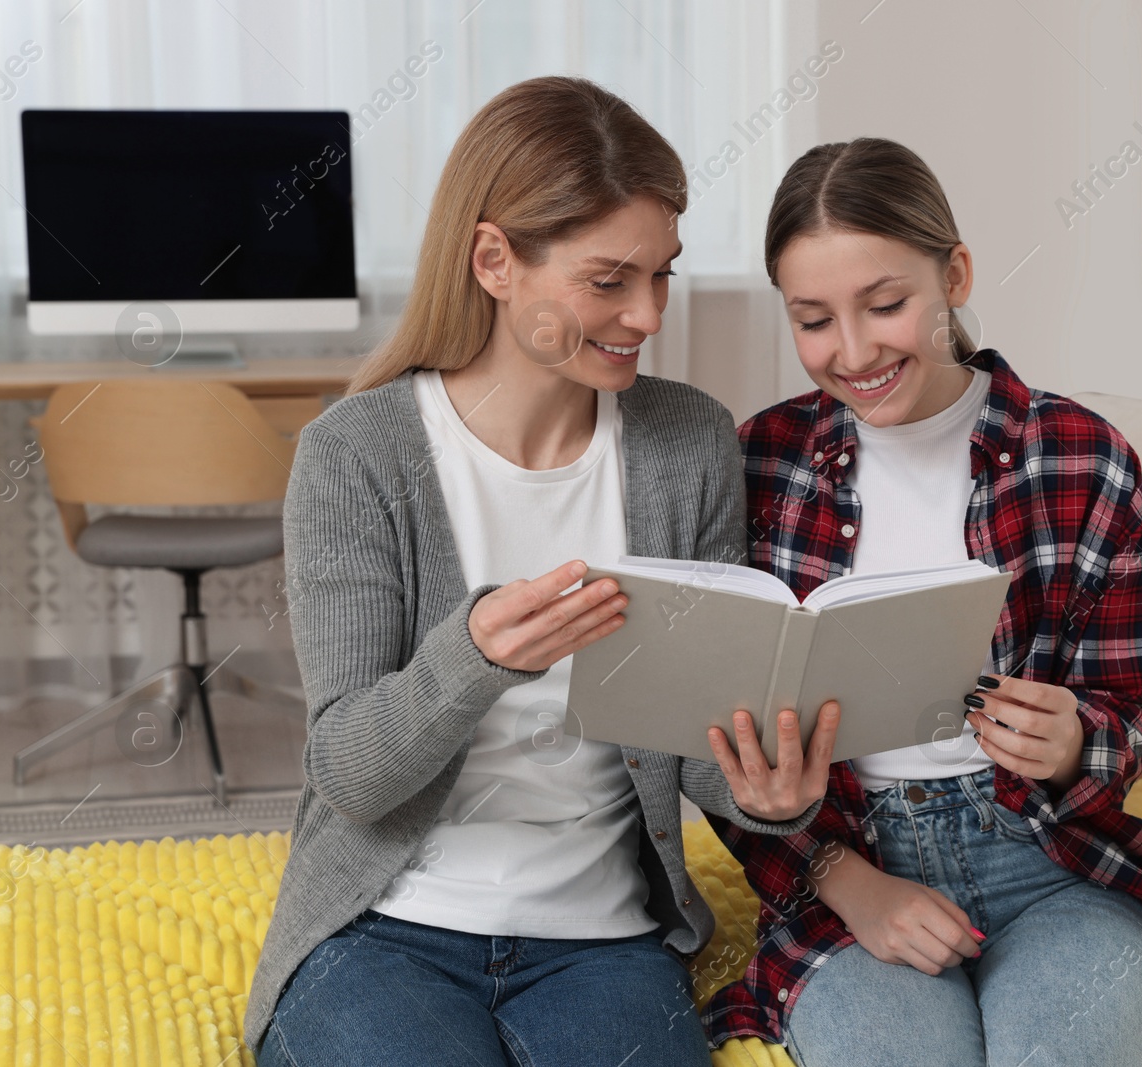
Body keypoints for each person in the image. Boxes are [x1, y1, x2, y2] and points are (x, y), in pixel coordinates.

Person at [243, 77, 839, 1067]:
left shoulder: (683, 441)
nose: (646, 313)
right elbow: (347, 771)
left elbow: (691, 740)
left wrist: (767, 794)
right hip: (382, 926)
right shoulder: (357, 454)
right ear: (494, 261)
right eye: (610, 280)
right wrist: (473, 656)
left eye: (663, 275)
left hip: (599, 938)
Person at [703, 138, 1142, 1066]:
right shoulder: (759, 463)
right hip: (850, 864)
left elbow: (1132, 707)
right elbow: (723, 748)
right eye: (813, 320)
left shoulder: (1083, 456)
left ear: (954, 274)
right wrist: (846, 883)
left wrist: (1077, 737)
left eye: (886, 305)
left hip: (1053, 864)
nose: (853, 350)